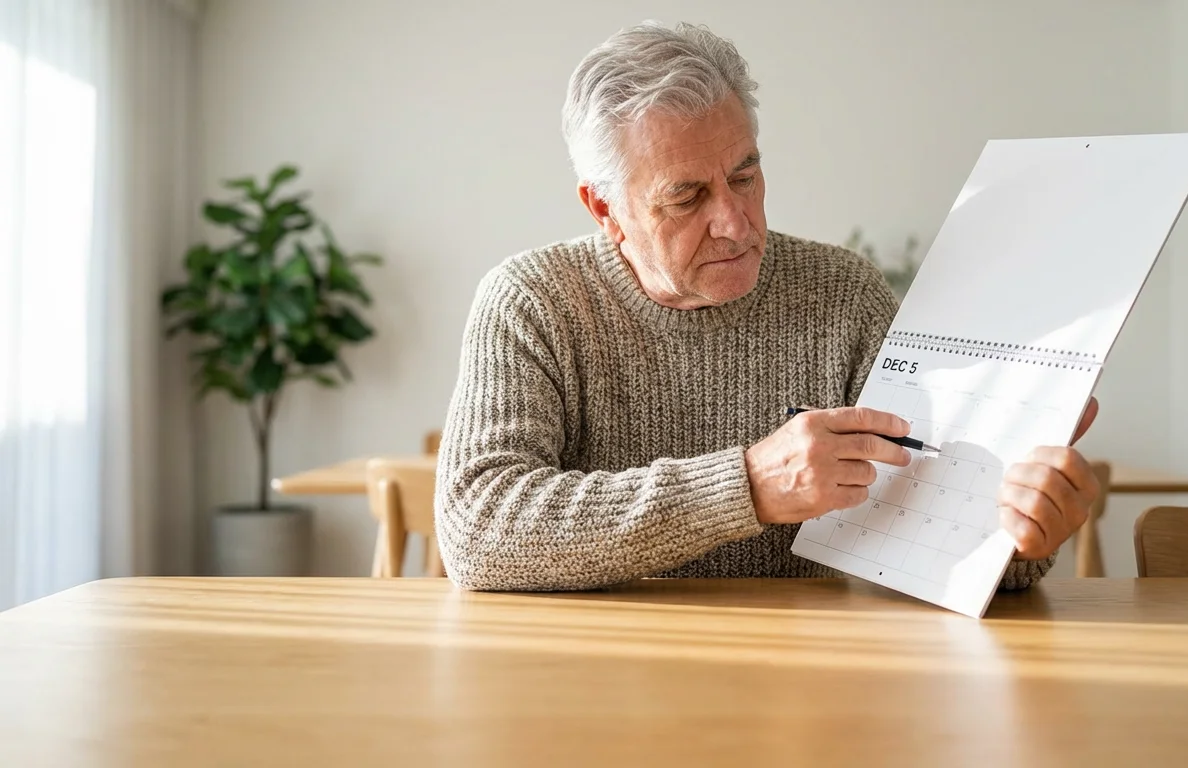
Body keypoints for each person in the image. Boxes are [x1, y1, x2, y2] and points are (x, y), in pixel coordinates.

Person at [434, 21, 1100, 591]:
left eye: (745, 176)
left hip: (805, 697)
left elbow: (941, 539)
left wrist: (1020, 534)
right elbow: (478, 530)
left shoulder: (844, 294)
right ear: (604, 208)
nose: (734, 221)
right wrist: (746, 487)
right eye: (687, 196)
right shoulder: (532, 302)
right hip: (584, 682)